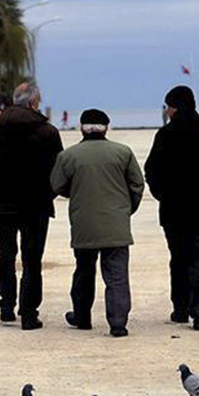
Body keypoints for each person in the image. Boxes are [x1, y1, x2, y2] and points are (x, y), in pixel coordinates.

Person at [144, 86, 199, 331]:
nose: (168, 111)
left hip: (173, 210)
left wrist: (162, 195)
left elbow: (151, 171)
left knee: (179, 259)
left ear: (177, 107)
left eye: (169, 106)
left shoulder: (165, 135)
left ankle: (181, 309)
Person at [50, 109, 144, 337]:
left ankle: (82, 317)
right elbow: (137, 185)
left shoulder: (69, 156)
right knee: (117, 276)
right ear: (107, 128)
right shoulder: (123, 152)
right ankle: (118, 323)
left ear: (82, 128)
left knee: (83, 271)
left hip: (84, 223)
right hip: (116, 224)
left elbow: (56, 185)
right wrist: (125, 210)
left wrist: (77, 193)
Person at [0, 83, 63, 330]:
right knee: (32, 259)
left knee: (5, 255)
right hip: (37, 204)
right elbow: (59, 169)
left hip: (4, 203)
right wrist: (49, 194)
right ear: (34, 103)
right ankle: (28, 313)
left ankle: (6, 306)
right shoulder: (48, 132)